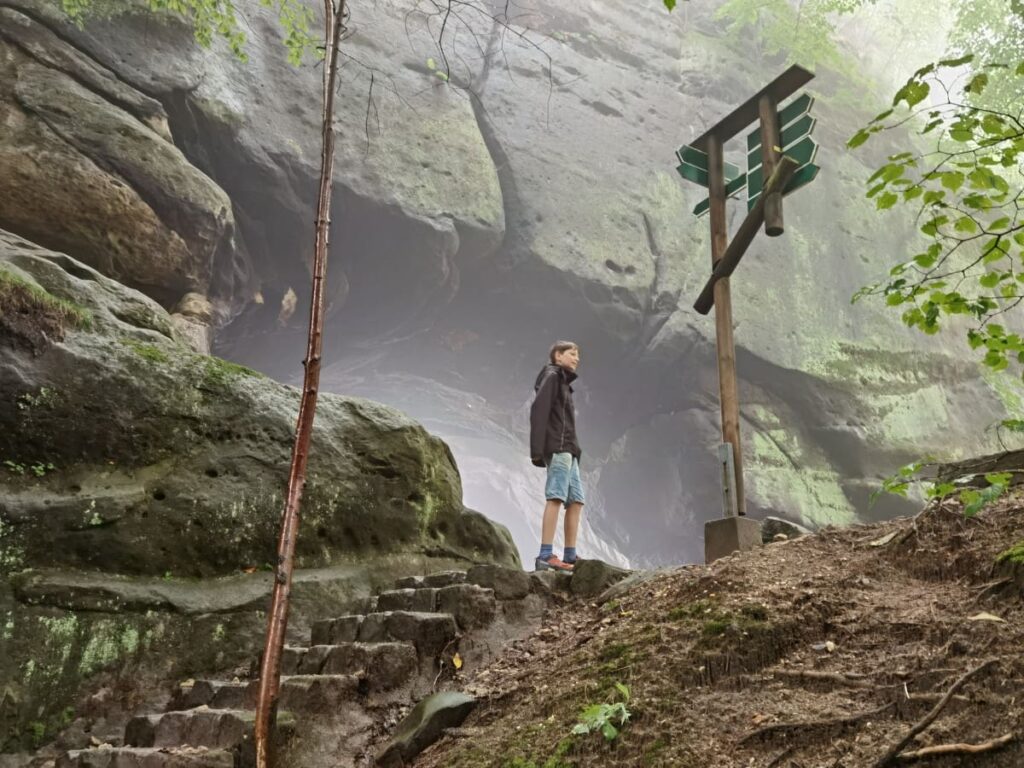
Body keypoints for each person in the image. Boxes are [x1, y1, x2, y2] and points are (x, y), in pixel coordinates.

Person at [529, 340, 584, 572]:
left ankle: (570, 556)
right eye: (572, 353)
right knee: (556, 497)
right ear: (558, 356)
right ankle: (545, 554)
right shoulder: (552, 377)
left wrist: (575, 451)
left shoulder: (564, 382)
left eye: (578, 355)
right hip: (559, 447)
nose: (577, 358)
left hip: (569, 449)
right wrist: (537, 451)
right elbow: (538, 412)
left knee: (576, 500)